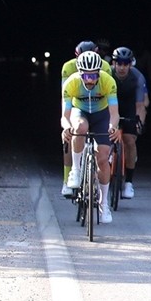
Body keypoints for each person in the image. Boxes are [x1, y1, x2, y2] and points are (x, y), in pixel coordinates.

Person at [60, 51, 120, 224]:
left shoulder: (108, 81)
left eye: (94, 75)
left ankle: (104, 203)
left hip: (102, 115)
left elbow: (114, 113)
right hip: (81, 113)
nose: (90, 80)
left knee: (102, 159)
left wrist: (113, 127)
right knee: (79, 127)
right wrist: (66, 127)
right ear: (80, 73)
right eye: (86, 75)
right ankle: (76, 170)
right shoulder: (71, 83)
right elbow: (65, 115)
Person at [59, 40, 111, 194]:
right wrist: (66, 121)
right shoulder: (68, 68)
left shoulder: (105, 67)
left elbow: (108, 94)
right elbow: (65, 95)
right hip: (77, 103)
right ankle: (68, 177)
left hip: (100, 105)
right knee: (72, 135)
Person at [110, 46, 148, 199]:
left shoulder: (137, 77)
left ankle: (129, 183)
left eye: (126, 64)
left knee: (130, 141)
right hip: (110, 106)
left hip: (129, 107)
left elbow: (140, 105)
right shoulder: (107, 74)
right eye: (119, 63)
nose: (122, 67)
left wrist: (140, 121)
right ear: (114, 63)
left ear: (130, 64)